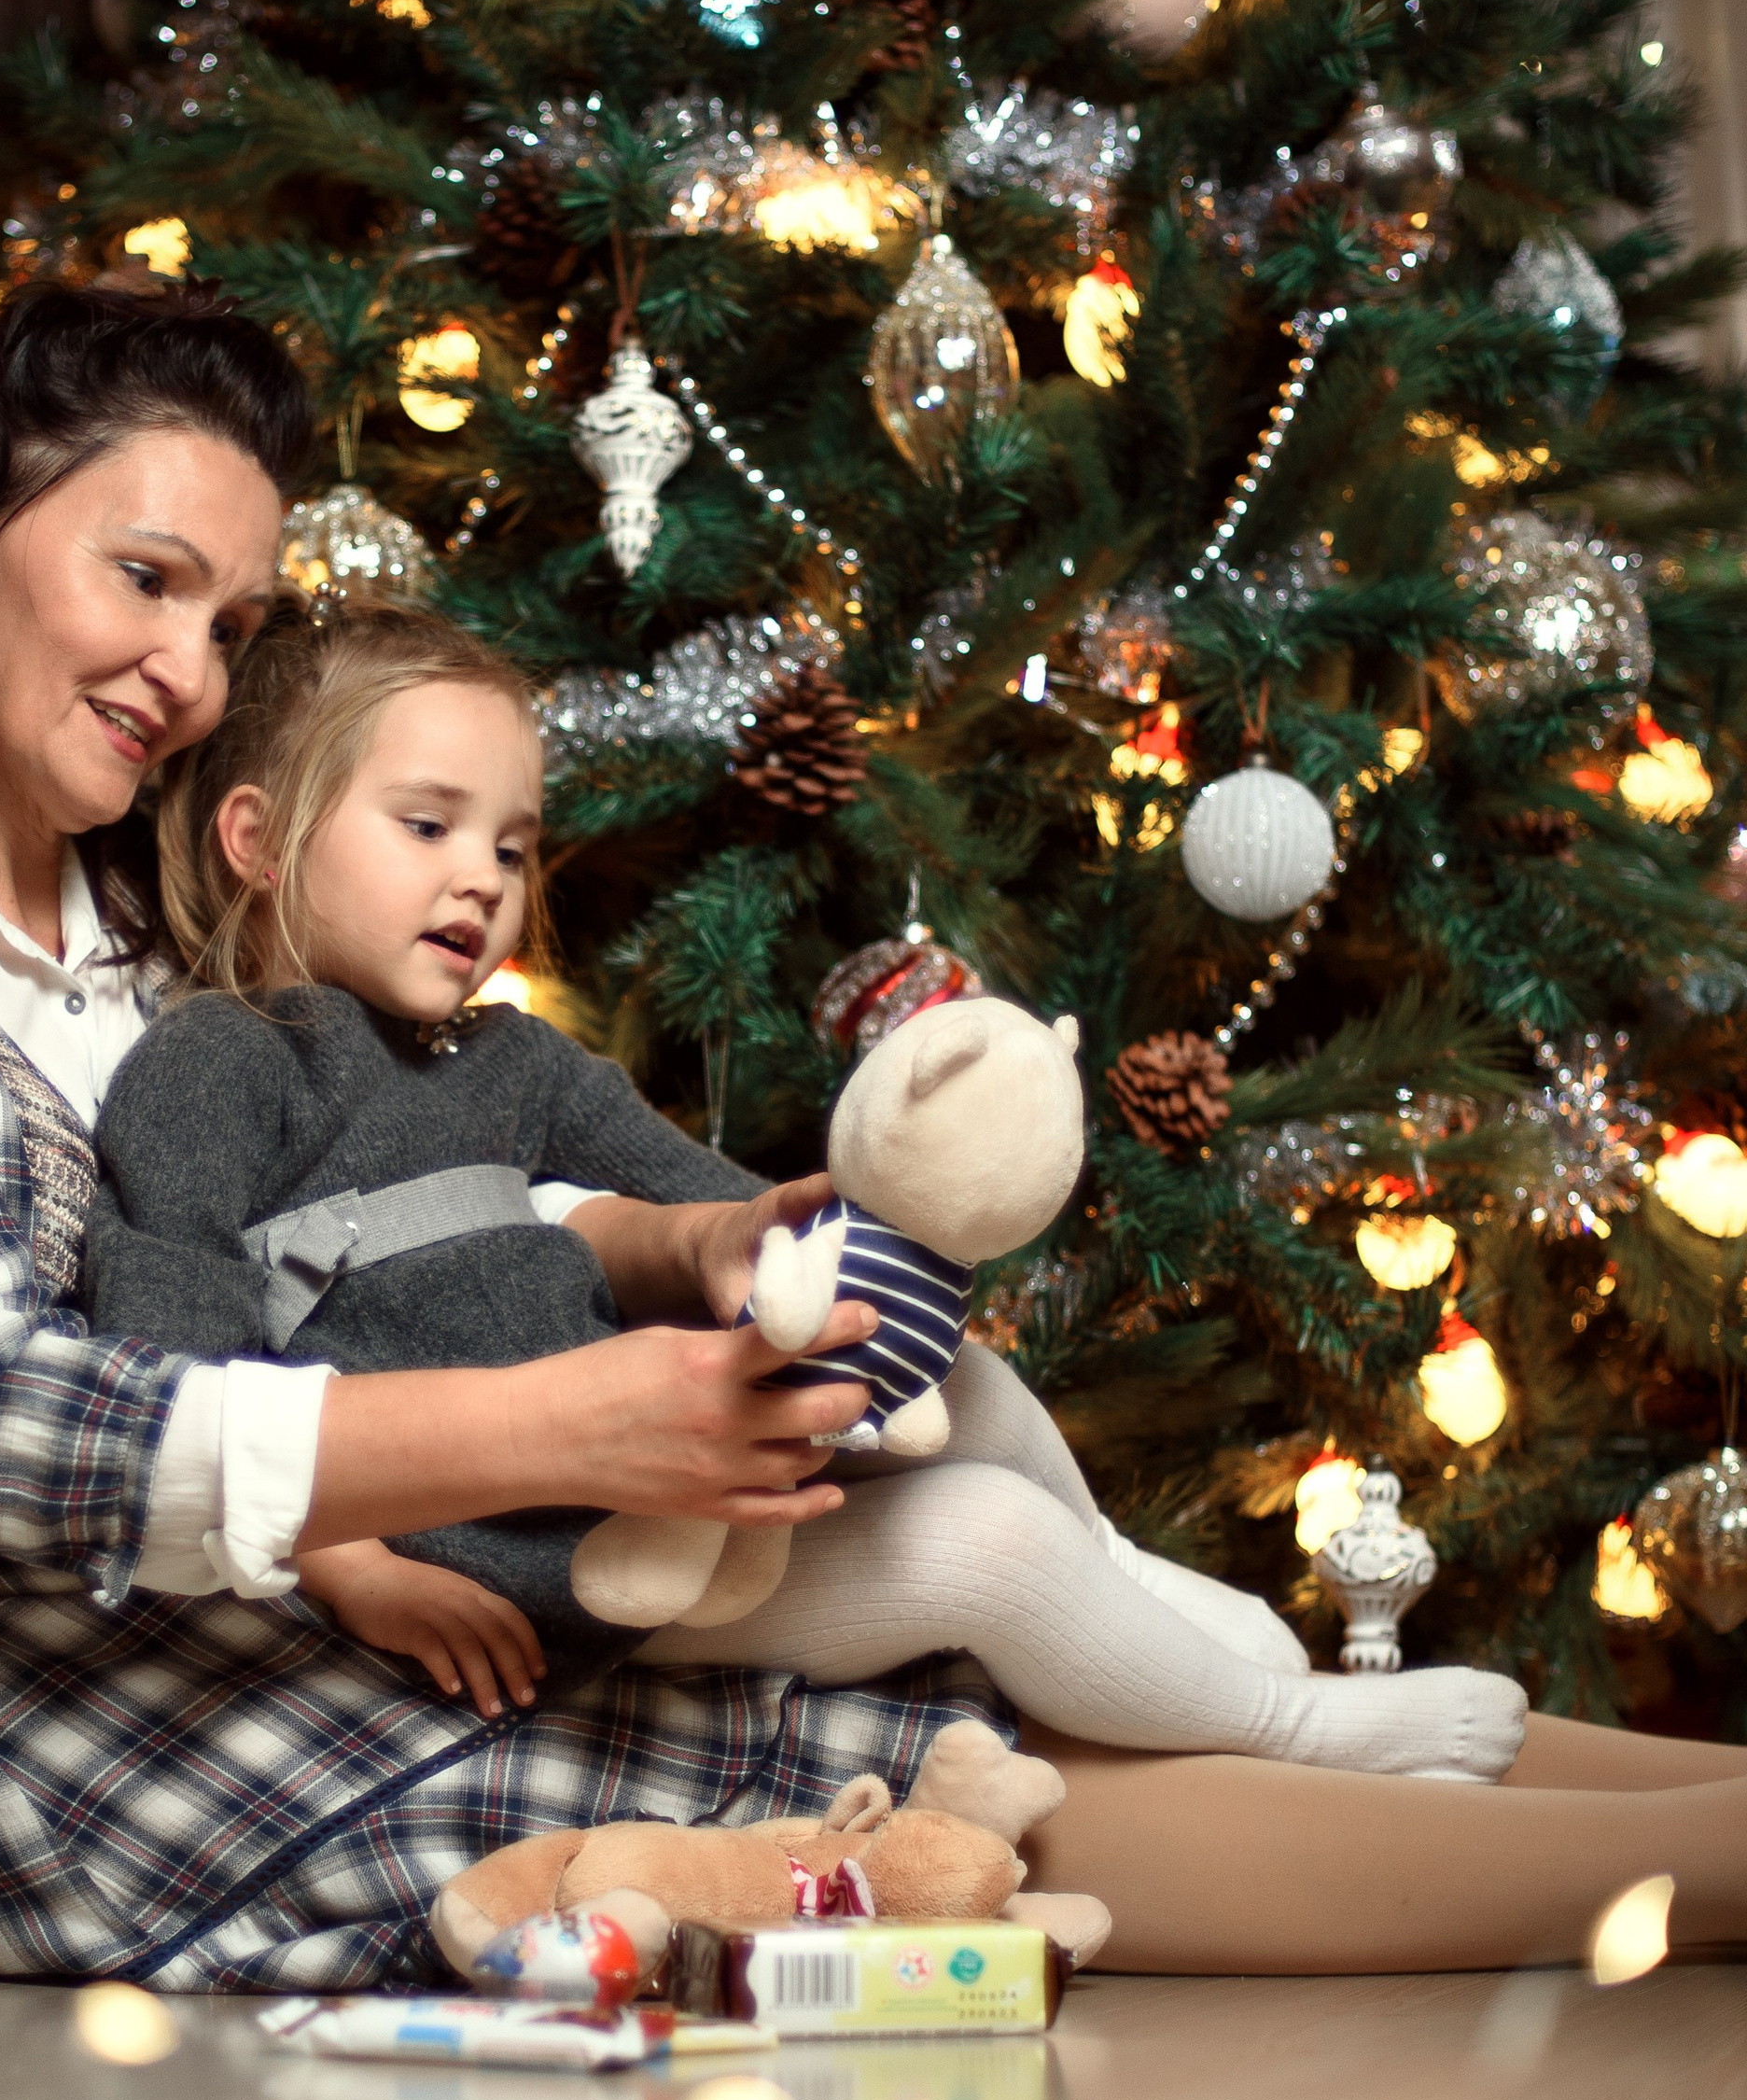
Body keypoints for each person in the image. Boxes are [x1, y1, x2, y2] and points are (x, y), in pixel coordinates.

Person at [0, 283, 1747, 1987]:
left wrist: (670, 1255)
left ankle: (1697, 1799)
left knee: (949, 1584)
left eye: (229, 626)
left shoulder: (147, 922)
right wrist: (561, 1427)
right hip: (63, 1752)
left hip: (350, 1605)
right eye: (140, 579)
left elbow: (399, 1212)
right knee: (932, 1756)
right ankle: (1709, 1872)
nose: (180, 665)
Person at [89, 597, 1534, 1786]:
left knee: (959, 1386)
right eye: (428, 828)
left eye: (514, 847)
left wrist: (747, 1246)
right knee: (988, 1547)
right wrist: (348, 1565)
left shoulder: (511, 1059)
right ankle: (1304, 1732)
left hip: (682, 1476)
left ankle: (1121, 1576)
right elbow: (174, 1377)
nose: (483, 881)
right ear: (258, 841)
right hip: (550, 1569)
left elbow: (726, 1203)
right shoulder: (217, 1063)